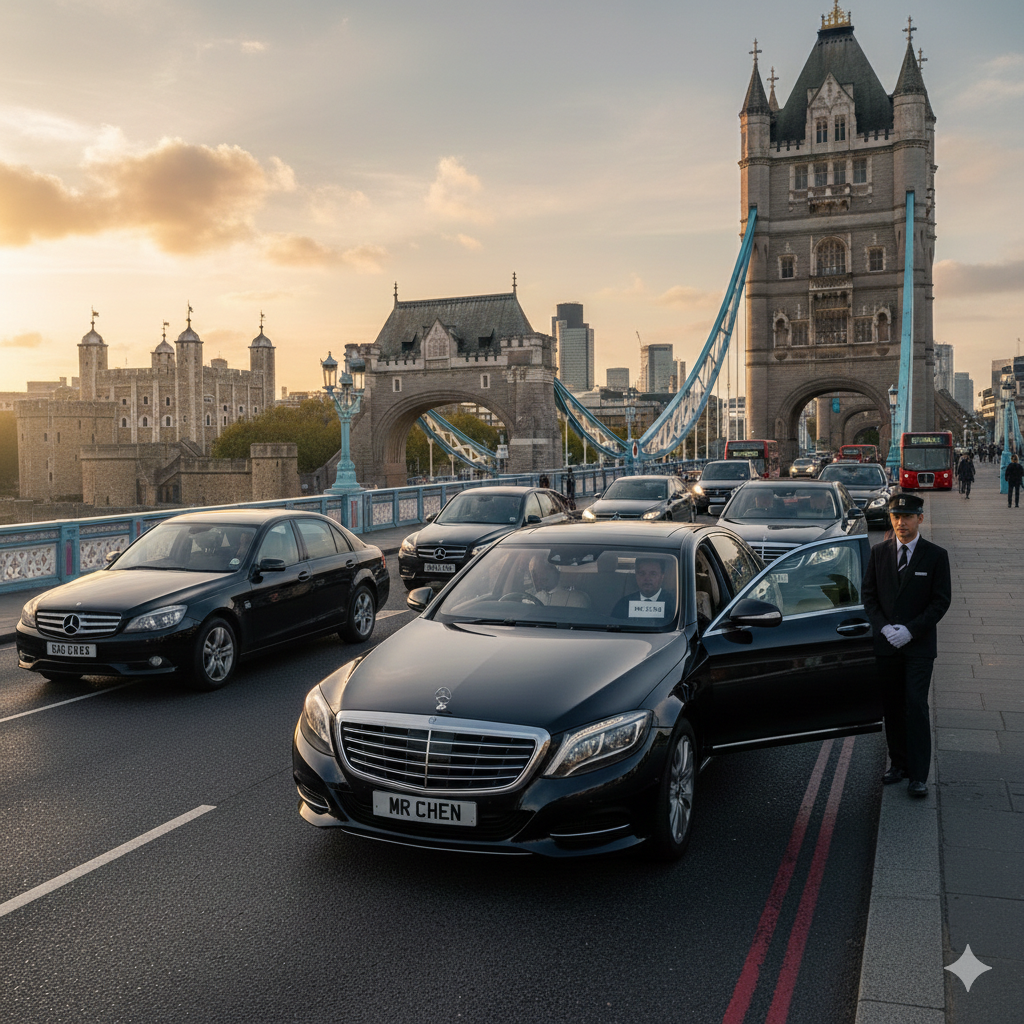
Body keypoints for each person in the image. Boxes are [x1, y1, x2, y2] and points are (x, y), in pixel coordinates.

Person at [862, 494, 952, 798]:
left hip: (918, 646)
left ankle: (918, 774)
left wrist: (911, 630)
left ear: (920, 519)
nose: (901, 523)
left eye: (908, 517)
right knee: (892, 706)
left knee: (916, 706)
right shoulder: (879, 553)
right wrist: (884, 627)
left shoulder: (935, 555)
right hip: (887, 644)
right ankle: (898, 764)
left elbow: (941, 601)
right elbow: (869, 596)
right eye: (896, 516)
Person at [611, 556, 676, 622]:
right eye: (642, 573)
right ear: (636, 575)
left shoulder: (674, 604)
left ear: (662, 576)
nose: (647, 578)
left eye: (653, 574)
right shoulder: (624, 604)